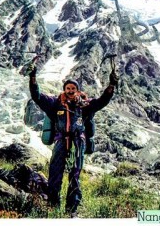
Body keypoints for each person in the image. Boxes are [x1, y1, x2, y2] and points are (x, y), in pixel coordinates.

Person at [28, 65, 118, 217]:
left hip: (78, 142)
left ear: (77, 90)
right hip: (61, 141)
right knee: (55, 171)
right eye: (68, 88)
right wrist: (33, 77)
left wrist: (111, 85)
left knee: (75, 173)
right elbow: (37, 96)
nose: (70, 91)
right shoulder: (55, 103)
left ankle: (72, 208)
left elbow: (102, 101)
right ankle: (53, 203)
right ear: (64, 89)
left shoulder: (84, 104)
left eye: (73, 88)